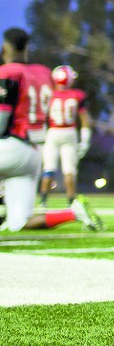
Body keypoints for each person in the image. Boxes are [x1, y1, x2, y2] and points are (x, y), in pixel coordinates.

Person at [0, 27, 102, 231]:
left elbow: (2, 117)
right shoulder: (43, 73)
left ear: (6, 48)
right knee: (19, 223)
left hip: (11, 146)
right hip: (33, 153)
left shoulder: (8, 72)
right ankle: (73, 212)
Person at [39, 65, 91, 207]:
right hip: (69, 132)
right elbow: (85, 119)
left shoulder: (49, 95)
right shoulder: (77, 95)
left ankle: (43, 201)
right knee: (69, 170)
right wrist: (85, 141)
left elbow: (42, 116)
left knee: (48, 168)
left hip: (53, 132)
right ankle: (70, 201)